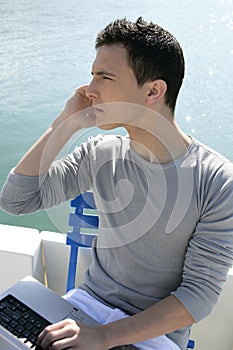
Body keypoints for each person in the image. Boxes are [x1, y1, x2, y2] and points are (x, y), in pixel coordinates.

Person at [1, 17, 233, 350]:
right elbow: (17, 201)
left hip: (153, 336)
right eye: (93, 74)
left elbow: (197, 297)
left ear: (153, 90)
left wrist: (105, 336)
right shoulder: (100, 154)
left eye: (104, 76)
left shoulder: (217, 181)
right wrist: (65, 122)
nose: (89, 90)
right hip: (81, 310)